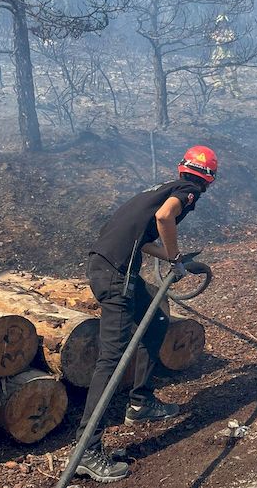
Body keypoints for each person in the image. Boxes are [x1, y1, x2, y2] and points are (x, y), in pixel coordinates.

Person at [73, 145, 217, 483]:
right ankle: (86, 450)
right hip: (117, 276)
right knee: (112, 360)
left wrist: (171, 259)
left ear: (182, 166)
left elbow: (139, 239)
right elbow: (165, 218)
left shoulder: (159, 188)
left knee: (157, 323)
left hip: (105, 266)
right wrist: (176, 253)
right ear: (209, 178)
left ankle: (140, 402)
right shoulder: (187, 191)